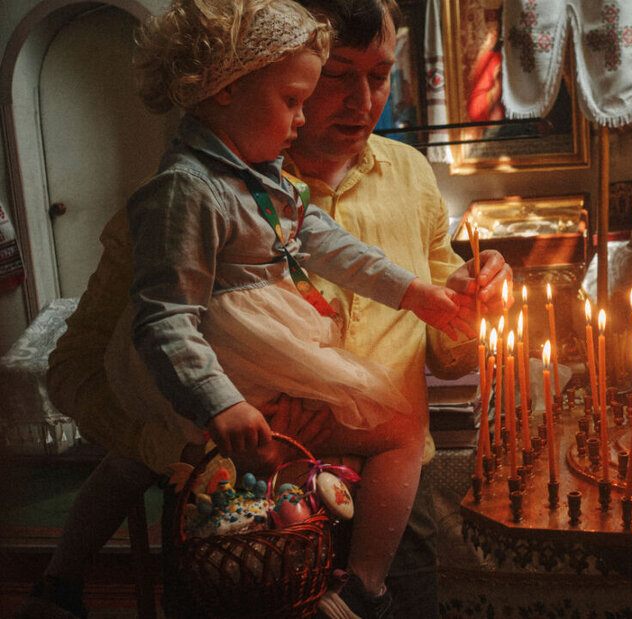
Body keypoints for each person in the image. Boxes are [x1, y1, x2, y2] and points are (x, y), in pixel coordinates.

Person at [17, 1, 511, 618]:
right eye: (332, 78)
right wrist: (187, 436)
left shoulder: (391, 176)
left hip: (386, 511)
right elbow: (89, 360)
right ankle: (60, 581)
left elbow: (431, 327)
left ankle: (362, 584)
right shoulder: (180, 197)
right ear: (236, 84)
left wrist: (462, 299)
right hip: (231, 508)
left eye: (381, 75)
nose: (362, 101)